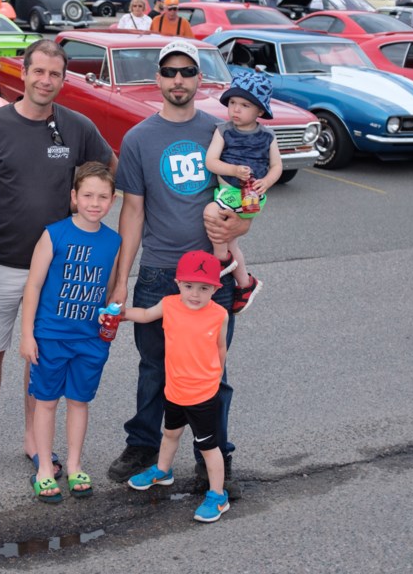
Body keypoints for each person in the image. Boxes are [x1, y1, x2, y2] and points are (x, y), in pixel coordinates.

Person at [0, 39, 116, 479]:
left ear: (64, 80)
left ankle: (34, 440)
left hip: (58, 272)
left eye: (55, 74)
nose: (46, 81)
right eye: (39, 72)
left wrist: (87, 208)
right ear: (23, 74)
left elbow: (108, 165)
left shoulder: (78, 127)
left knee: (39, 357)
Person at [106, 39, 248, 499]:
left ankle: (214, 460)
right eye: (170, 72)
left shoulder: (221, 134)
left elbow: (244, 207)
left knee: (213, 371)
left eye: (188, 71)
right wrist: (122, 279)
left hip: (213, 277)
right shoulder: (139, 139)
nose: (179, 80)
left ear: (199, 78)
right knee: (154, 367)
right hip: (158, 272)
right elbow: (132, 212)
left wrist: (234, 233)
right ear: (158, 79)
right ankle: (143, 446)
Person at [21, 162, 121, 503]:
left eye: (103, 197)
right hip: (51, 335)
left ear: (112, 201)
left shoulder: (113, 241)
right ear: (74, 196)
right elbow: (33, 286)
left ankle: (75, 464)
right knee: (46, 402)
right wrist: (27, 334)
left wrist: (110, 322)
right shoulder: (54, 234)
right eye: (88, 195)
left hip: (90, 339)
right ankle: (45, 469)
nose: (95, 203)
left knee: (79, 402)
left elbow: (107, 293)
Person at [122, 251, 231, 523]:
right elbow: (146, 314)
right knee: (170, 434)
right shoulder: (170, 304)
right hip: (175, 389)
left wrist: (214, 377)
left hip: (203, 395)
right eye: (189, 286)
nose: (195, 294)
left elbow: (220, 348)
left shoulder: (219, 314)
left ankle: (218, 495)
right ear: (178, 283)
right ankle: (162, 470)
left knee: (208, 447)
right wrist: (123, 314)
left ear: (215, 289)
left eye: (204, 288)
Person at [204, 71, 282, 314]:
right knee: (230, 239)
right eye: (233, 103)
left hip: (249, 196)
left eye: (245, 105)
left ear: (260, 111)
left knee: (212, 215)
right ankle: (245, 283)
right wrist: (233, 169)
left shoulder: (267, 136)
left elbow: (277, 165)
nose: (235, 110)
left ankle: (222, 261)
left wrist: (267, 182)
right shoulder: (223, 130)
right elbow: (211, 162)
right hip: (228, 190)